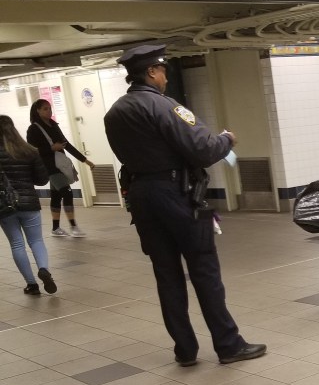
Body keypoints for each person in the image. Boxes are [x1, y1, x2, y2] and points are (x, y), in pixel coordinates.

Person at [103, 44, 266, 367]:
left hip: (141, 197)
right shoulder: (165, 107)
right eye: (162, 69)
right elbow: (203, 150)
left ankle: (185, 350)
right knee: (204, 271)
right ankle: (228, 345)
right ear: (151, 72)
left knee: (167, 276)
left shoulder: (115, 113)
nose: (165, 75)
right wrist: (226, 140)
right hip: (177, 195)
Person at [0, 115, 57, 295]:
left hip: (5, 206)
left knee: (17, 244)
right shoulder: (30, 151)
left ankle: (32, 284)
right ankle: (43, 269)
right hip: (29, 203)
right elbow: (41, 179)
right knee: (36, 240)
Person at [27, 99, 95, 237]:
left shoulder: (54, 125)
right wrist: (51, 148)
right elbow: (32, 150)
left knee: (56, 196)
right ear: (37, 111)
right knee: (67, 192)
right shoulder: (33, 129)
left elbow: (67, 145)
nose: (49, 111)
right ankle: (74, 226)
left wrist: (85, 161)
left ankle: (55, 228)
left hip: (60, 165)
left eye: (50, 108)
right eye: (45, 109)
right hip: (49, 167)